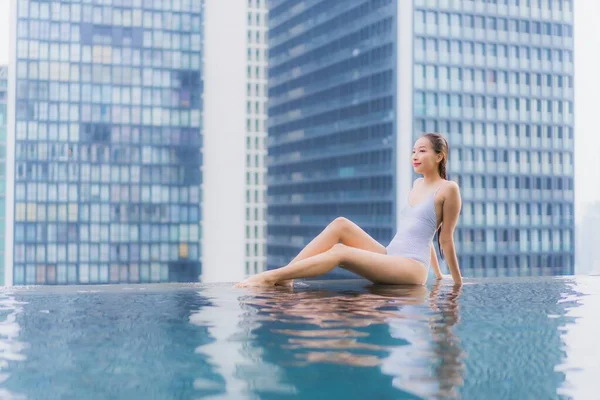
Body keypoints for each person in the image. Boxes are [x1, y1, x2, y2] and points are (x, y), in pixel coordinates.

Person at [235, 133, 463, 288]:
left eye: (421, 151)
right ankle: (287, 276)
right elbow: (426, 234)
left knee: (340, 252)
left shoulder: (448, 189)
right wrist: (439, 275)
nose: (414, 156)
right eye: (413, 151)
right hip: (391, 255)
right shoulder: (417, 185)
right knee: (340, 224)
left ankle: (271, 277)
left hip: (411, 268)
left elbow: (445, 239)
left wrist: (457, 282)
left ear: (439, 156)